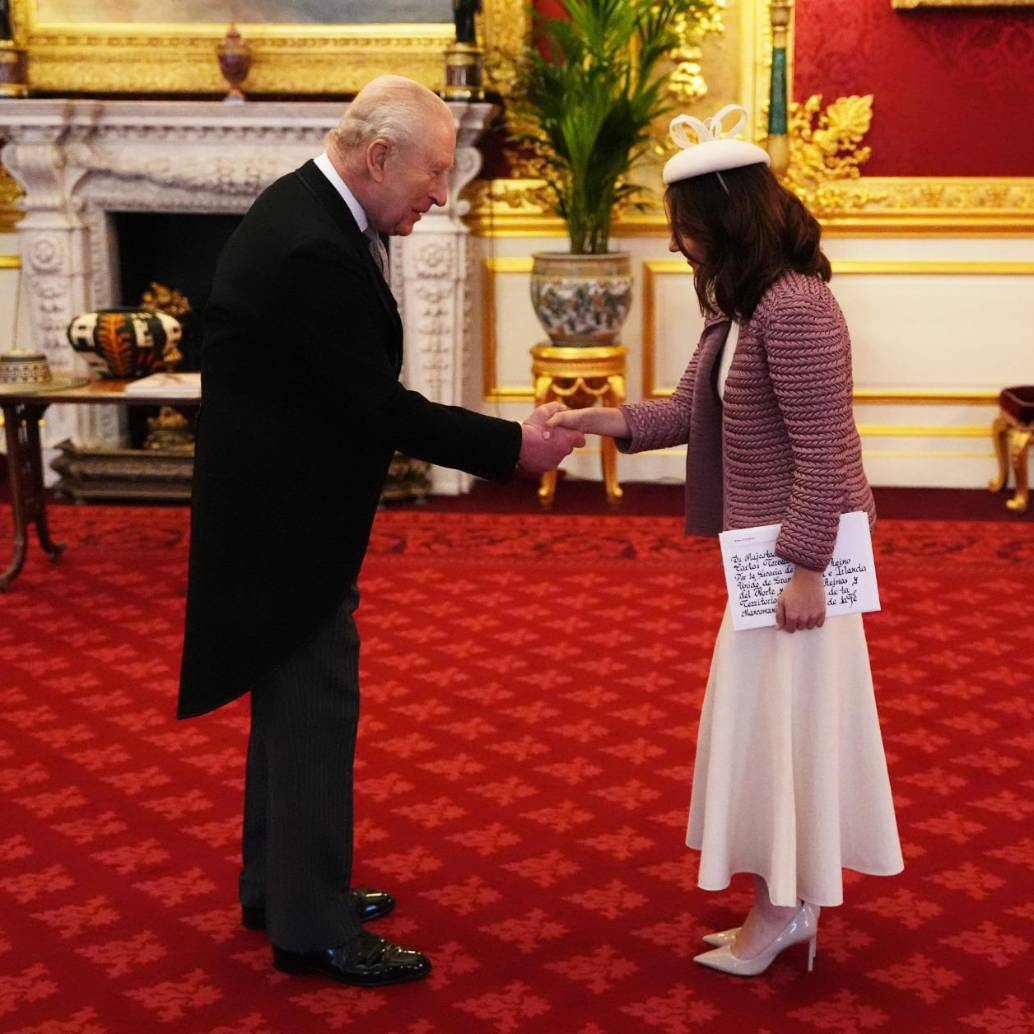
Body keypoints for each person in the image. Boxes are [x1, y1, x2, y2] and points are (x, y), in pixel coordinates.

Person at [177, 75, 583, 988]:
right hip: (287, 529)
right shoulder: (314, 247)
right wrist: (514, 446)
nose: (440, 197)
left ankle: (276, 886)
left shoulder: (308, 210)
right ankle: (311, 927)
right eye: (434, 176)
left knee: (287, 712)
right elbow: (377, 406)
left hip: (271, 512)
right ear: (378, 158)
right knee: (316, 710)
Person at [548, 105, 903, 977]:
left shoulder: (798, 308)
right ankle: (783, 907)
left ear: (722, 220)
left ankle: (783, 913)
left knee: (782, 731)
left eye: (683, 229)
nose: (674, 246)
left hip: (797, 561)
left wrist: (810, 570)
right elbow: (684, 413)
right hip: (763, 555)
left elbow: (827, 447)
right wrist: (594, 417)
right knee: (766, 730)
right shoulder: (737, 307)